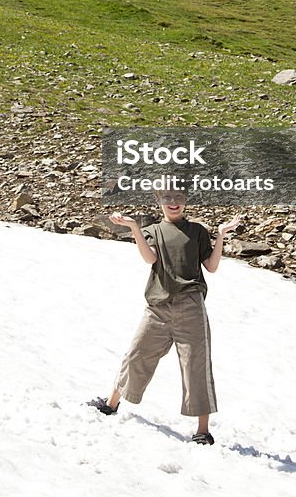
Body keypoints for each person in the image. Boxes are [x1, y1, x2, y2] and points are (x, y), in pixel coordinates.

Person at [89, 187, 241, 445]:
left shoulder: (197, 231)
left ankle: (203, 431)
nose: (174, 203)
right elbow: (150, 258)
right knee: (137, 354)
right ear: (158, 201)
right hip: (157, 307)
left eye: (179, 198)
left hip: (191, 306)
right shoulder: (153, 231)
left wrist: (220, 235)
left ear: (186, 201)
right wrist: (135, 228)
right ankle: (111, 404)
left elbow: (211, 267)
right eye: (168, 198)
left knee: (195, 364)